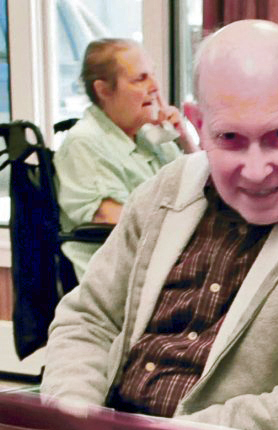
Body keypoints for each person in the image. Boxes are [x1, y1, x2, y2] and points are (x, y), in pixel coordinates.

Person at [40, 20, 278, 430]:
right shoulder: (166, 189)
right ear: (199, 124)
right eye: (230, 139)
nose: (256, 171)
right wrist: (76, 421)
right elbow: (90, 318)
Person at [55, 38, 197, 279]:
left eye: (152, 75)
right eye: (140, 79)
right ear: (103, 90)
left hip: (167, 261)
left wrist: (184, 138)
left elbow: (204, 188)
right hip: (122, 277)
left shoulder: (150, 139)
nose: (155, 87)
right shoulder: (85, 142)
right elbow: (110, 217)